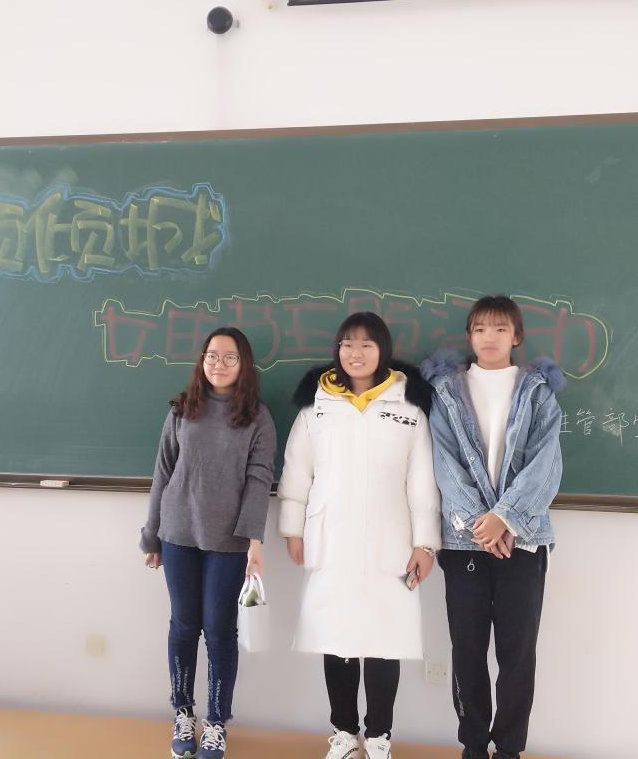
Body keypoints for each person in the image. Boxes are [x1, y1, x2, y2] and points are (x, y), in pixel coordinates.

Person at [278, 311, 441, 759]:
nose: (356, 352)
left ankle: (380, 736)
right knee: (337, 638)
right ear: (337, 350)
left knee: (386, 640)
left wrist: (425, 543)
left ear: (383, 350)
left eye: (367, 344)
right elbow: (296, 473)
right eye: (348, 343)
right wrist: (293, 529)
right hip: (332, 539)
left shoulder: (408, 409)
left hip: (392, 542)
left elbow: (422, 482)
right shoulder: (317, 408)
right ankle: (345, 734)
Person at [421, 295, 565, 759]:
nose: (489, 337)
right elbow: (443, 462)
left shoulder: (538, 392)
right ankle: (472, 745)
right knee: (467, 651)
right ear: (469, 336)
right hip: (464, 543)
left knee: (517, 653)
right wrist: (480, 524)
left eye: (500, 328)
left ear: (516, 337)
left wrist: (506, 518)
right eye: (480, 328)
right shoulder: (447, 391)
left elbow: (546, 463)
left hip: (523, 541)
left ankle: (508, 749)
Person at [140, 327, 277, 759]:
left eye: (229, 357)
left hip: (228, 541)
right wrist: (151, 535)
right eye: (212, 355)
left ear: (244, 364)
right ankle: (183, 713)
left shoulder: (257, 417)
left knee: (219, 629)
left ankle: (217, 722)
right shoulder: (183, 409)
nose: (219, 363)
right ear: (202, 360)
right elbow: (163, 472)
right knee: (184, 624)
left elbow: (260, 480)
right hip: (178, 533)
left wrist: (255, 540)